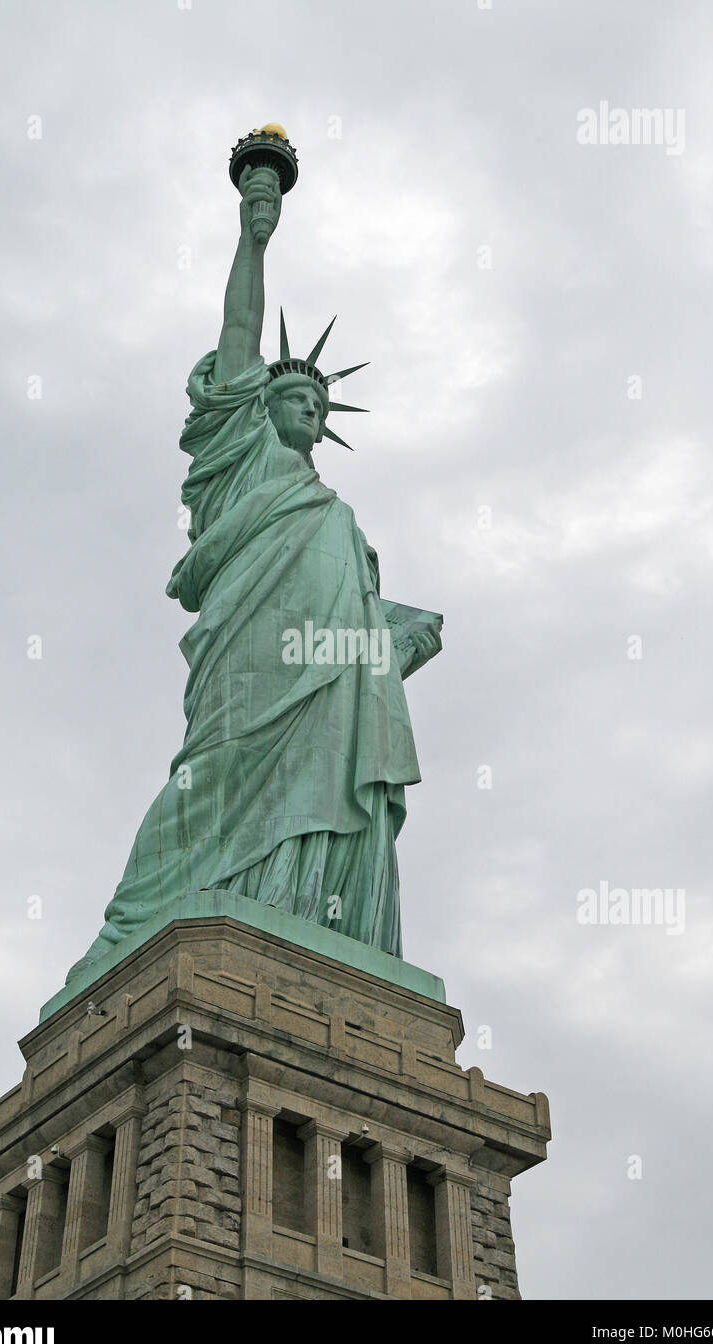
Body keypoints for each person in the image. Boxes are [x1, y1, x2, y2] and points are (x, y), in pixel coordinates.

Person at [66, 165, 441, 983]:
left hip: (333, 674)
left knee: (330, 772)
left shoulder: (333, 512)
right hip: (250, 653)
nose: (310, 407)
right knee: (216, 770)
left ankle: (308, 913)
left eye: (319, 403)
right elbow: (240, 332)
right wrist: (254, 229)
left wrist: (395, 636)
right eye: (295, 396)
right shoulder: (242, 459)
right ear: (260, 407)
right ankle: (138, 922)